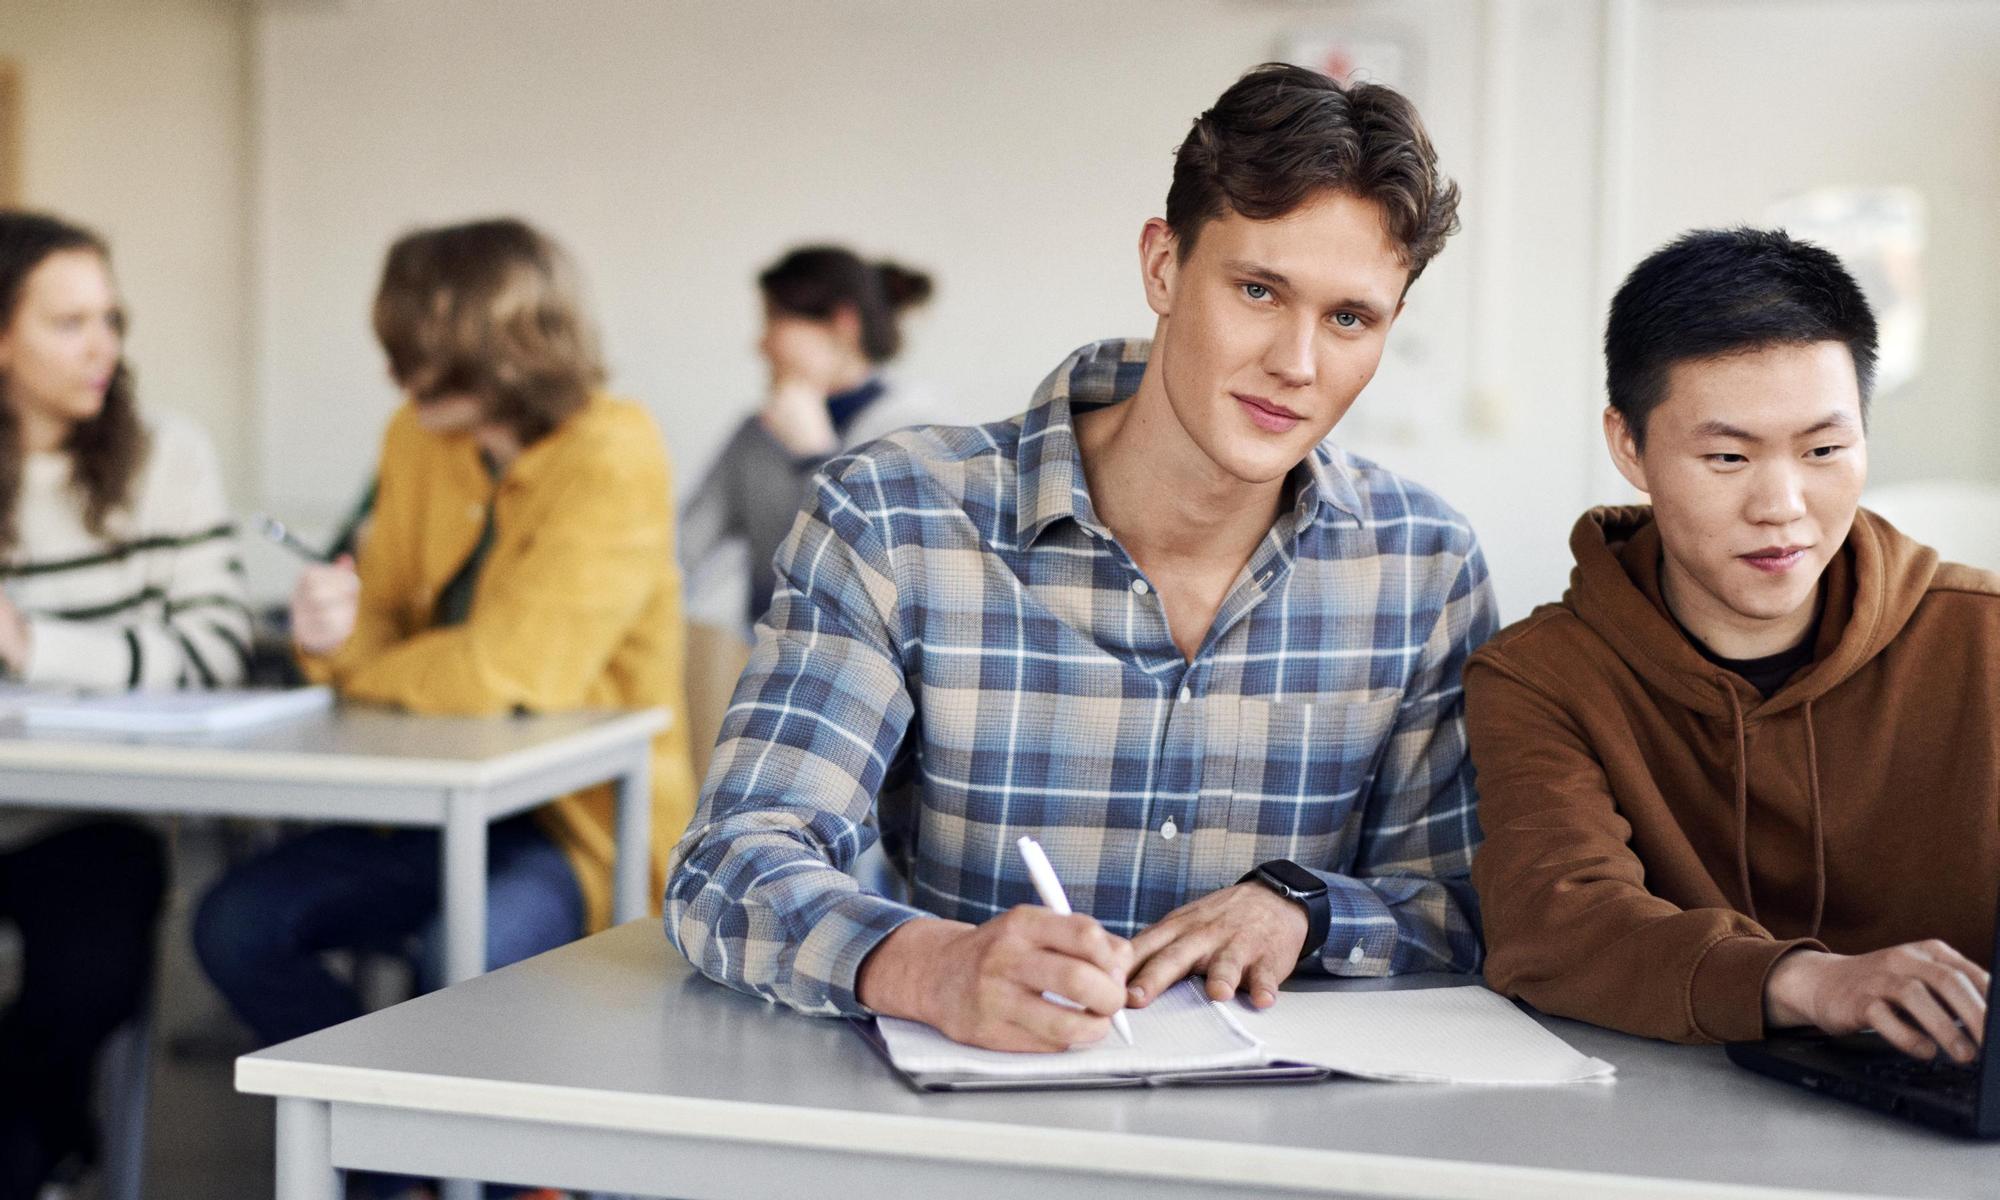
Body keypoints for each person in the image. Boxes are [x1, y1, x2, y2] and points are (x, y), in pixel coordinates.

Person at [667, 64, 1494, 1052]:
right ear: (1161, 266)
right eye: (1257, 289)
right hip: (968, 1121)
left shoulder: (1423, 568)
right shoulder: (896, 518)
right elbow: (732, 865)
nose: (1298, 364)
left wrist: (1305, 911)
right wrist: (929, 968)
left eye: (1348, 318)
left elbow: (1462, 905)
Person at [1466, 228, 1998, 1062]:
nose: (1782, 505)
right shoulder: (1539, 677)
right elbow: (1554, 923)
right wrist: (1810, 983)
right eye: (1726, 456)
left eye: (1824, 450)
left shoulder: (1985, 641)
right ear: (1628, 446)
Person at [195, 218, 699, 1051]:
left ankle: (474, 1171)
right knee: (234, 926)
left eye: (426, 352)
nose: (405, 376)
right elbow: (377, 613)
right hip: (423, 808)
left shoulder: (616, 451)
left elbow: (509, 670)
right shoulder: (417, 434)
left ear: (517, 349)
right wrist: (339, 629)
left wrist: (358, 658)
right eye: (399, 349)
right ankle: (394, 1163)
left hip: (571, 825)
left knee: (465, 958)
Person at [0, 209, 248, 1198]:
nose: (103, 345)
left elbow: (216, 648)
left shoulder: (167, 458)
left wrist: (32, 644)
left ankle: (29, 1149)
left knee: (85, 972)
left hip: (89, 822)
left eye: (111, 317)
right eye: (70, 323)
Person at [680, 245, 936, 631]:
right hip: (769, 666)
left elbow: (894, 586)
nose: (760, 344)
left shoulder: (915, 430)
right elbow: (680, 553)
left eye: (775, 320)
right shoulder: (758, 433)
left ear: (842, 324)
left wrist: (813, 458)